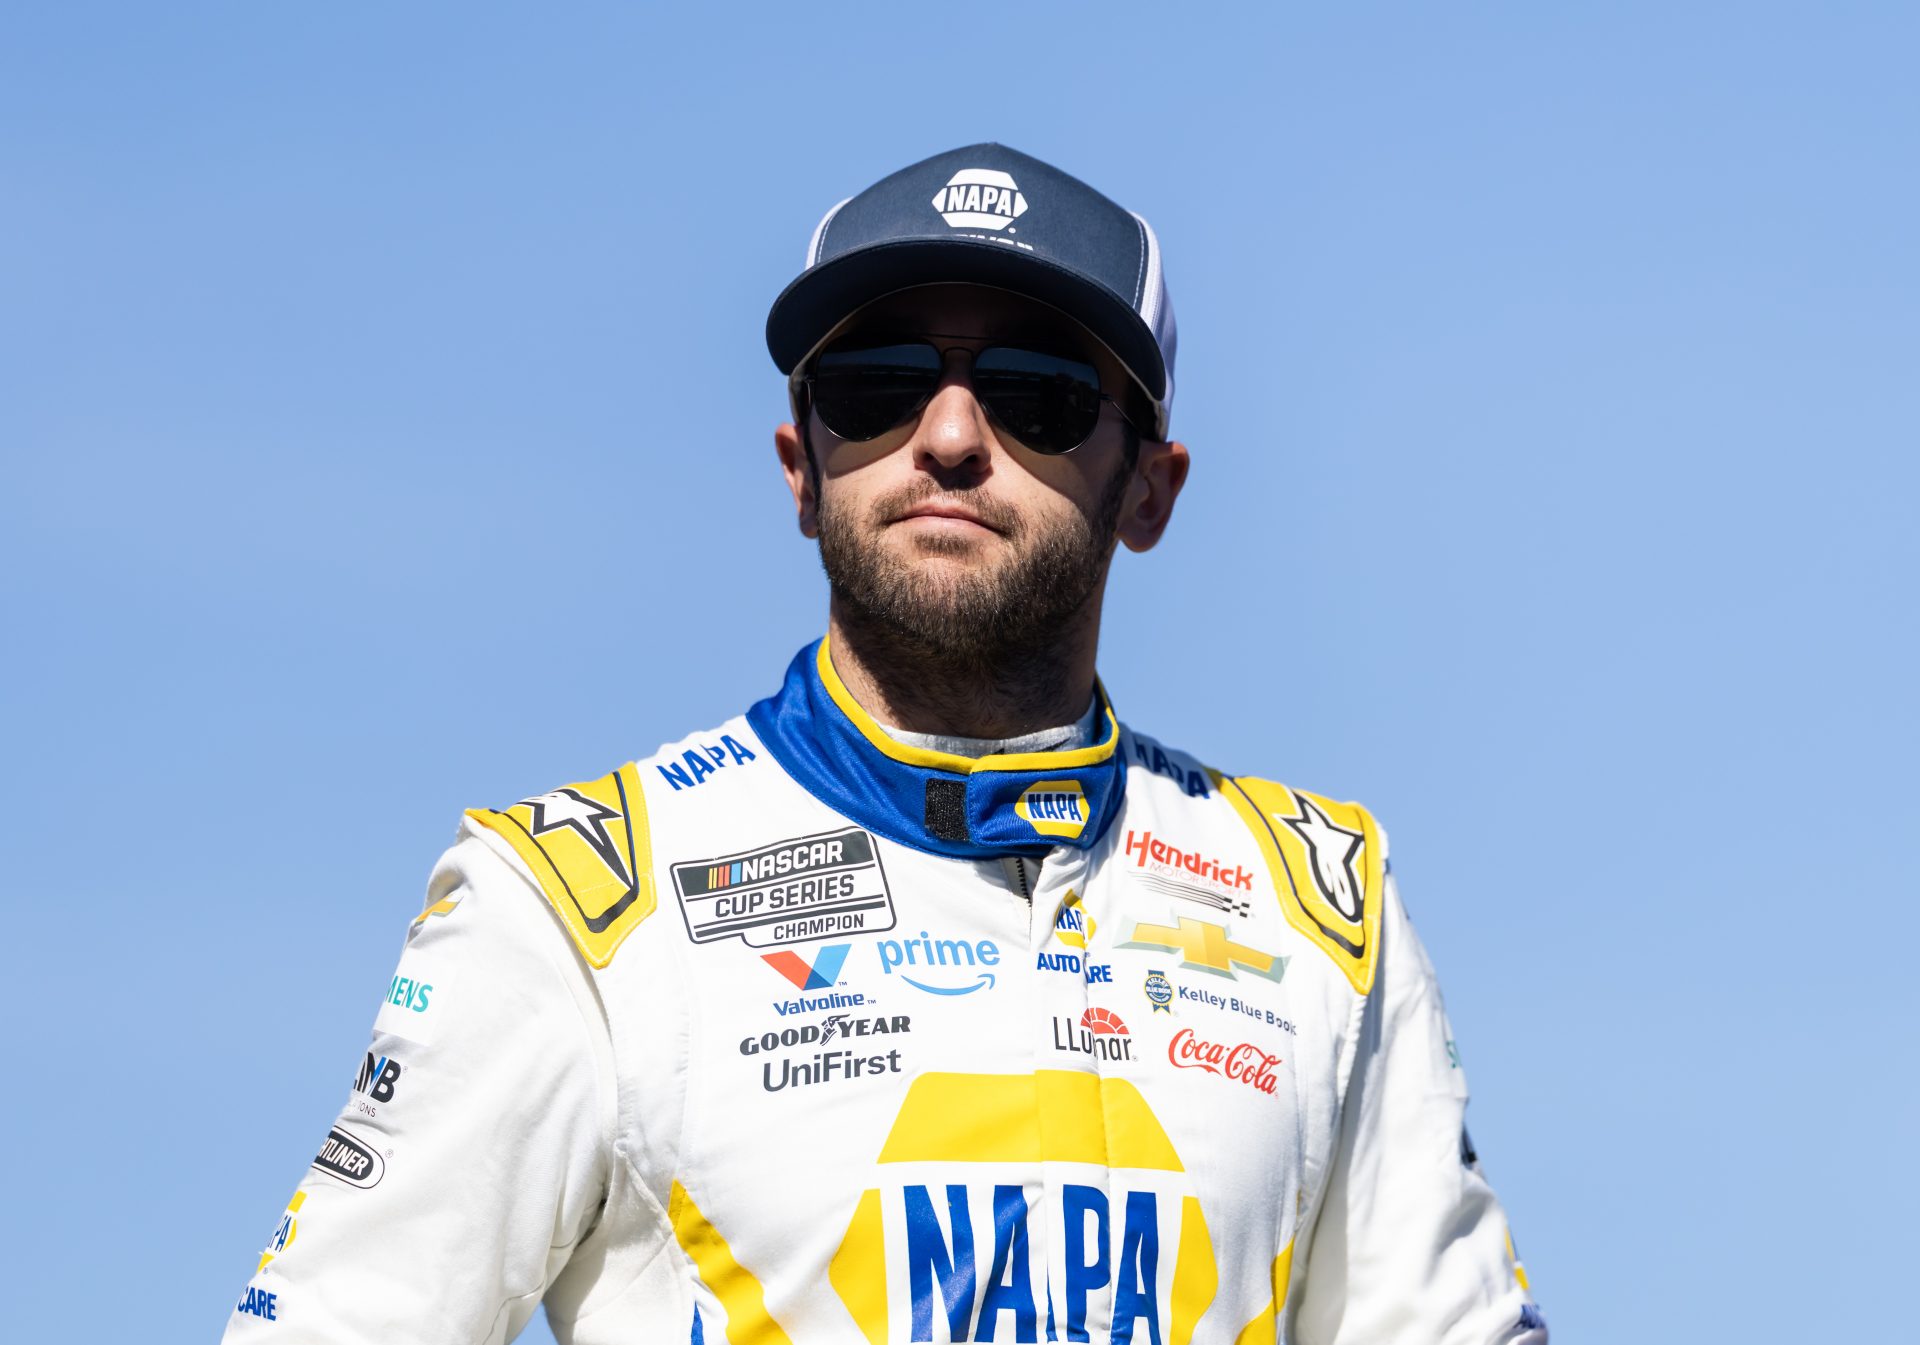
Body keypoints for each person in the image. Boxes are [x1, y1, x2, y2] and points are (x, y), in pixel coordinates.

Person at [225, 143, 1548, 1345]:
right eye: (879, 383)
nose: (953, 435)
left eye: (1036, 392)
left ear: (1150, 488)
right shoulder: (572, 907)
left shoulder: (1322, 911)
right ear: (802, 468)